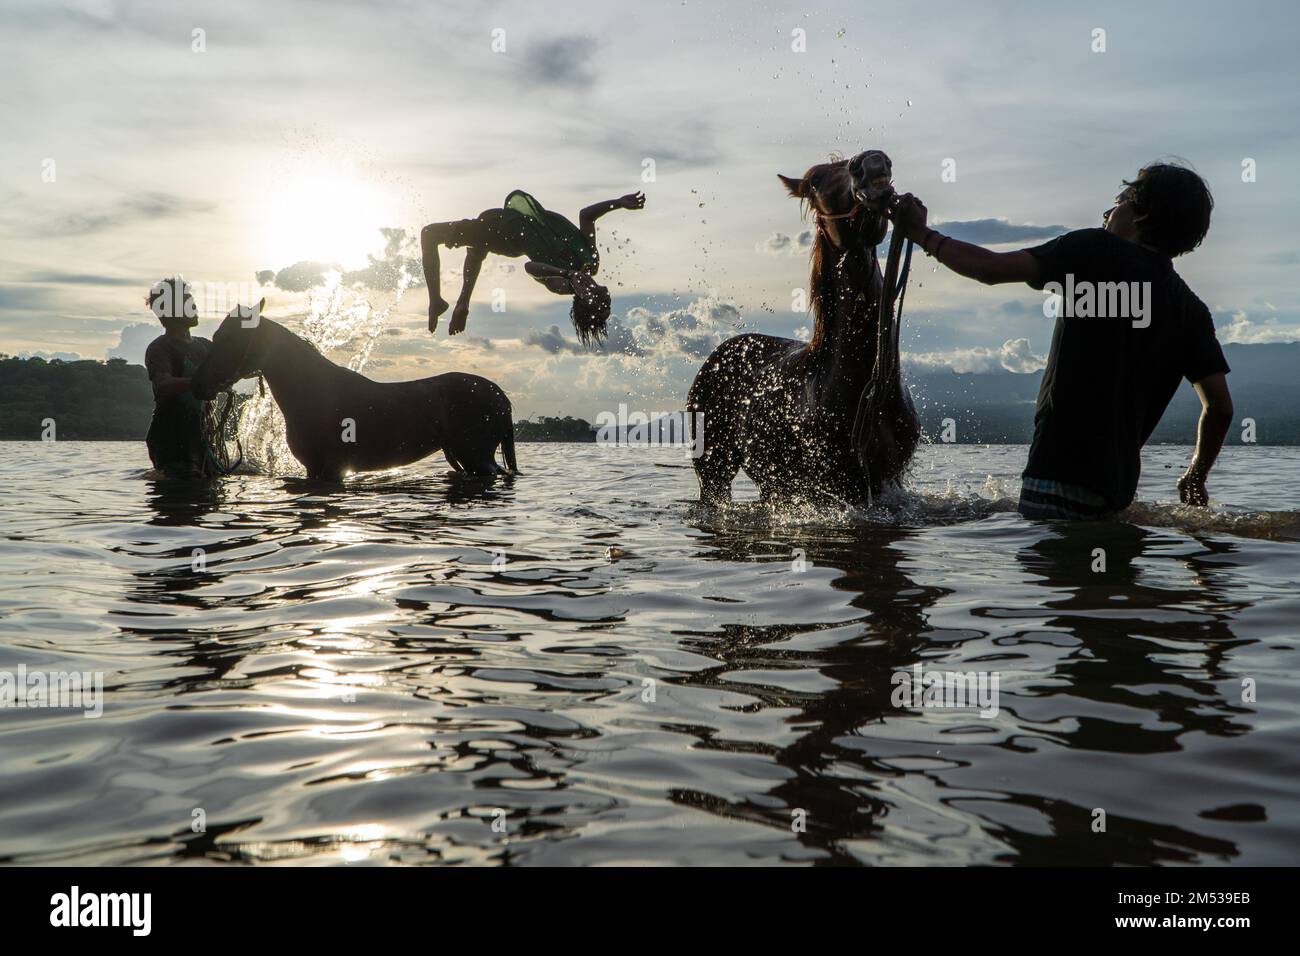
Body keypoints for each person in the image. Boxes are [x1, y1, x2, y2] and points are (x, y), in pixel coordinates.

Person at [888, 161, 1232, 518]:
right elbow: (1220, 409)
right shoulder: (1191, 311)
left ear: (1140, 214)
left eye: (1119, 200)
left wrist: (921, 234)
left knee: (1054, 569)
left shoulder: (1094, 250)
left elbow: (990, 269)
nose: (1108, 213)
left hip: (1054, 477)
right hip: (1116, 494)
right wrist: (1195, 476)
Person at [420, 189, 644, 342]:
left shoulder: (562, 285)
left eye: (602, 306)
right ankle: (461, 303)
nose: (608, 300)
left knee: (429, 235)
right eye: (608, 305)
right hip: (510, 223)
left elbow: (531, 267)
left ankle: (436, 301)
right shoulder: (591, 262)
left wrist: (567, 273)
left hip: (508, 236)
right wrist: (619, 203)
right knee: (476, 249)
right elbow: (586, 216)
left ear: (586, 301)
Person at [142, 276, 214, 478]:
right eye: (188, 302)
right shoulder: (160, 348)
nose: (194, 306)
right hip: (170, 438)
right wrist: (199, 383)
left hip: (201, 437)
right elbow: (163, 383)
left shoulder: (205, 346)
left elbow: (231, 366)